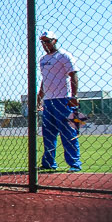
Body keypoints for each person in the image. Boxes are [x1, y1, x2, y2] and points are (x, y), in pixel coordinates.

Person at [36, 31, 81, 172]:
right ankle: (49, 162)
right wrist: (40, 97)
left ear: (55, 40)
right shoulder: (42, 59)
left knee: (68, 132)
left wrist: (74, 96)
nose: (45, 44)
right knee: (48, 134)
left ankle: (74, 163)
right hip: (49, 101)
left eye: (48, 41)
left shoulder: (64, 56)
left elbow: (73, 75)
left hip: (63, 99)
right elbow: (45, 79)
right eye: (43, 41)